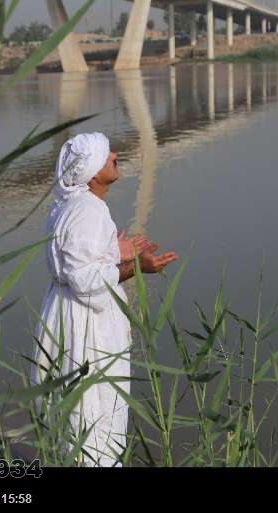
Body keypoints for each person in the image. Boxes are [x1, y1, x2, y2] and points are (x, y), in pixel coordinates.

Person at [31, 132, 178, 466]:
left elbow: (84, 272)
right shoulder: (88, 211)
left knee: (76, 415)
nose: (114, 154)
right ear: (92, 171)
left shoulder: (68, 207)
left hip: (64, 312)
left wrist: (130, 263)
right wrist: (123, 256)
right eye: (105, 153)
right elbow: (85, 281)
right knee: (95, 415)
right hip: (88, 328)